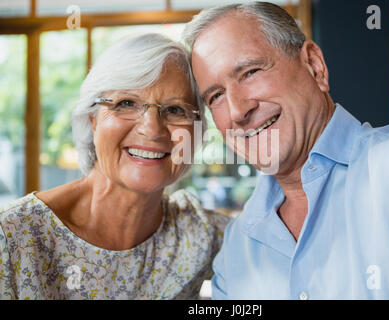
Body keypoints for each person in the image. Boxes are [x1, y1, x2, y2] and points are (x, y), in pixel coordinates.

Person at [181, 2, 389, 299]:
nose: (238, 110)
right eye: (216, 96)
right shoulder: (235, 252)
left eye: (250, 72)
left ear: (314, 65)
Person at [0, 33, 229, 300]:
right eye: (127, 104)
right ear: (93, 120)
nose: (152, 129)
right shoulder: (13, 236)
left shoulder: (199, 235)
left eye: (176, 110)